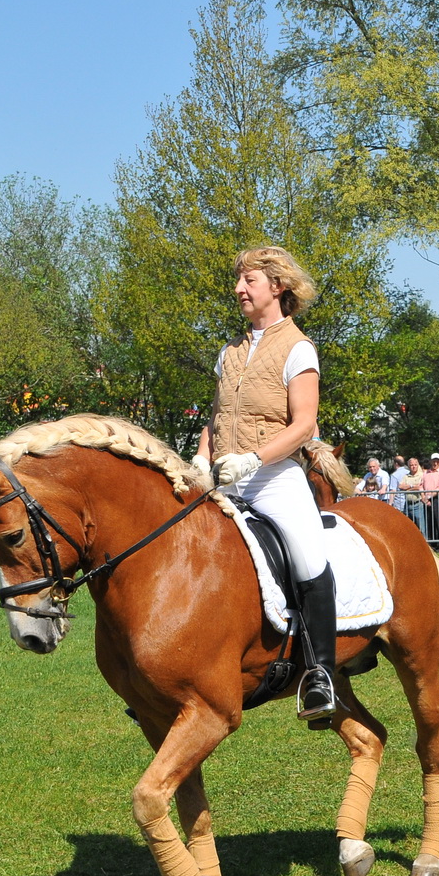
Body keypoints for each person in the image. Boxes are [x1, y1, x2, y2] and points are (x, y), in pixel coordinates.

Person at [192, 245, 340, 721]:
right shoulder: (229, 352)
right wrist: (200, 457)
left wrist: (253, 459)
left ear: (278, 287)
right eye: (239, 282)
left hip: (274, 478)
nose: (239, 289)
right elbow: (216, 417)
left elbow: (303, 425)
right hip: (225, 478)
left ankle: (322, 675)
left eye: (249, 281)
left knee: (306, 556)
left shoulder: (298, 348)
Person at [400, 456, 427, 541]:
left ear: (418, 465)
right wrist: (412, 487)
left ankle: (425, 545)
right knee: (408, 527)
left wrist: (408, 488)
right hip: (407, 505)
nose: (413, 466)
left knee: (421, 527)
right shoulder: (406, 476)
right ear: (408, 466)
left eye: (415, 464)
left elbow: (419, 487)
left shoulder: (422, 475)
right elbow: (400, 486)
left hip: (417, 504)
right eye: (411, 465)